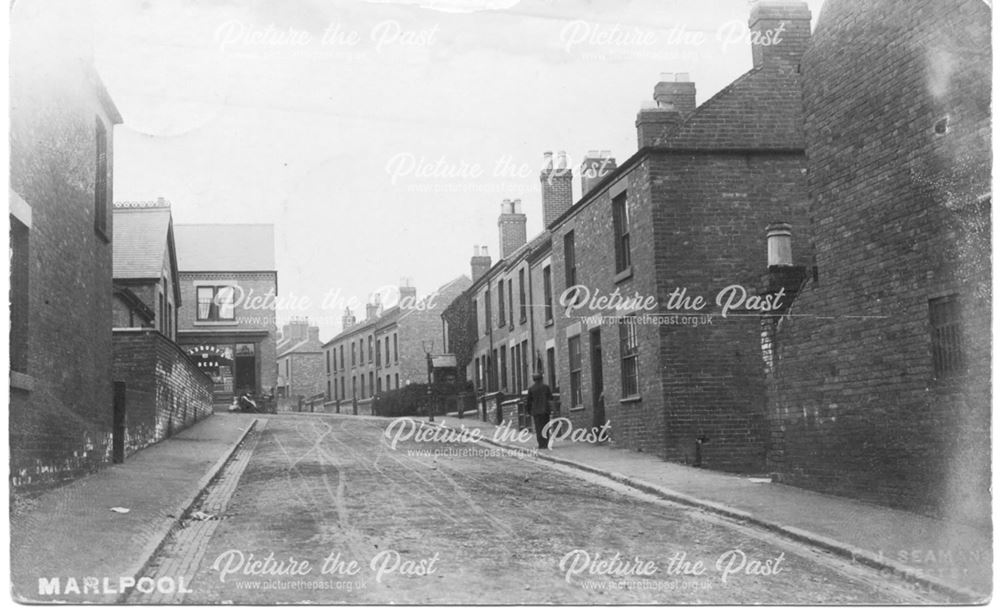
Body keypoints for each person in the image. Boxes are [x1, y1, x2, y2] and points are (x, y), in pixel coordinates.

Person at [525, 372, 553, 450]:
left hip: (536, 412)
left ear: (534, 379)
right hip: (545, 411)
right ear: (541, 378)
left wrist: (529, 410)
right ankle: (546, 443)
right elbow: (551, 397)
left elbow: (528, 401)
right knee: (546, 427)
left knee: (538, 427)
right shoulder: (546, 387)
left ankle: (541, 444)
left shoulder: (531, 389)